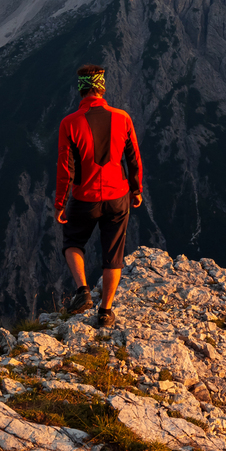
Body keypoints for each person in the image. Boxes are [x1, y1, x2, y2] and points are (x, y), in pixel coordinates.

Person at [55, 63, 143, 327]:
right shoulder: (123, 117)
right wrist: (136, 189)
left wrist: (60, 203)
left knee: (73, 241)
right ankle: (105, 312)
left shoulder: (69, 123)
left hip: (84, 196)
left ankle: (82, 291)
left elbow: (65, 168)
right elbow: (134, 158)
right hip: (118, 196)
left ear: (81, 89)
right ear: (102, 88)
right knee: (113, 254)